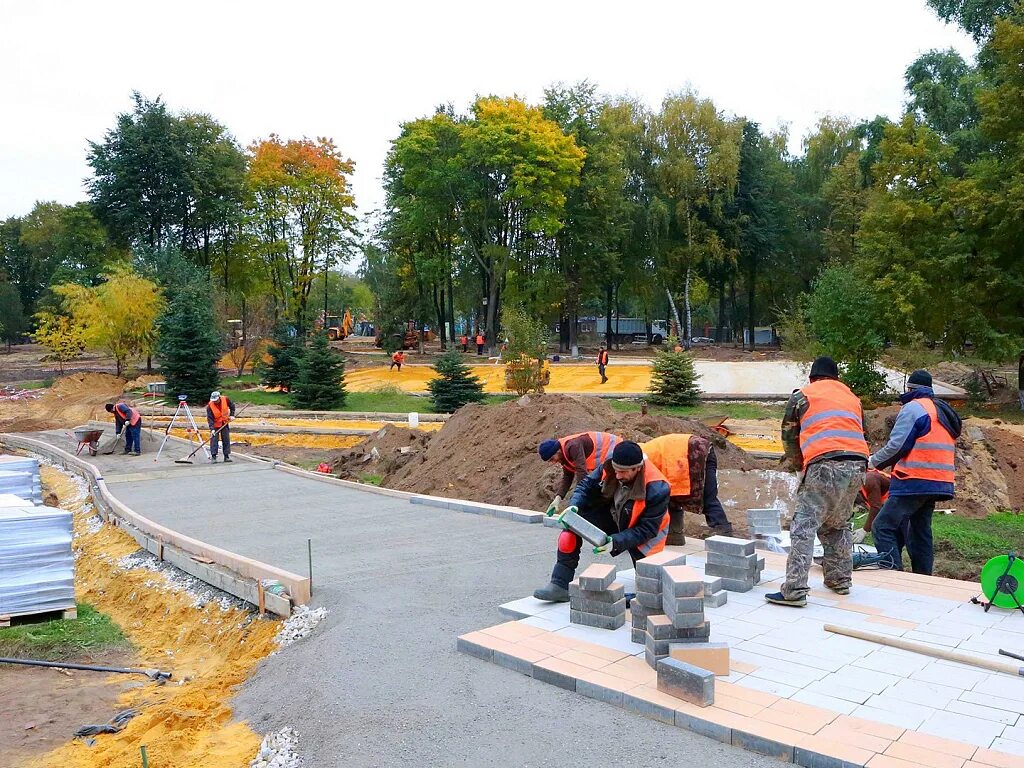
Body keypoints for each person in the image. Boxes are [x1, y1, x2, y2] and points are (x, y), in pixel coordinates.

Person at [765, 356, 868, 607]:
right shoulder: (852, 399)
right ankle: (840, 580)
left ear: (811, 377)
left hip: (825, 463)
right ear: (836, 378)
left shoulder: (803, 395)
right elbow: (859, 430)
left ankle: (795, 589)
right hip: (858, 464)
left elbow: (790, 436)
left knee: (804, 525)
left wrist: (800, 466)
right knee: (838, 523)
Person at [534, 441, 671, 602]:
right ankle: (559, 585)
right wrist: (574, 506)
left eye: (623, 472)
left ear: (638, 468)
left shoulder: (658, 488)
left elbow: (647, 529)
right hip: (616, 515)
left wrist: (616, 542)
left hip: (646, 534)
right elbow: (586, 485)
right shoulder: (611, 463)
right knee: (571, 529)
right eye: (616, 470)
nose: (618, 475)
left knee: (650, 594)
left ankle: (644, 594)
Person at [868, 369, 960, 575]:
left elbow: (897, 446)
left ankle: (893, 577)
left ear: (910, 388)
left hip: (914, 479)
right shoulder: (940, 410)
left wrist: (872, 462)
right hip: (939, 481)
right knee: (919, 531)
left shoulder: (914, 408)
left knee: (882, 526)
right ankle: (923, 580)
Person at [640, 433, 733, 544]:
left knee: (704, 495)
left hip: (694, 452)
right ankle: (674, 534)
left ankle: (722, 530)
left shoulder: (638, 460)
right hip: (696, 450)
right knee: (671, 496)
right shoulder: (642, 452)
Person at [538, 431, 623, 507]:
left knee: (607, 491)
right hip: (604, 458)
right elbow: (568, 477)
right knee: (597, 491)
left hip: (614, 447)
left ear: (557, 451)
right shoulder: (563, 456)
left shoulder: (573, 446)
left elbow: (581, 472)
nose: (553, 462)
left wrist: (578, 500)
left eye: (552, 459)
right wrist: (558, 498)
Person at [851, 468, 892, 545]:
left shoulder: (869, 480)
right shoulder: (859, 486)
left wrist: (864, 530)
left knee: (881, 530)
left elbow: (876, 507)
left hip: (902, 498)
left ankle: (888, 555)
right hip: (892, 501)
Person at [206, 391, 235, 463]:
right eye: (214, 401)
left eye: (216, 400)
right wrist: (212, 429)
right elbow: (210, 418)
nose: (215, 402)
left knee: (226, 439)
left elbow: (232, 406)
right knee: (214, 440)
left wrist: (232, 415)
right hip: (215, 425)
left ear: (219, 397)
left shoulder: (225, 399)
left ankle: (226, 456)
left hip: (224, 423)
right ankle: (214, 457)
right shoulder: (210, 405)